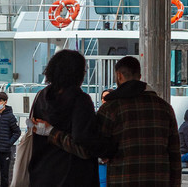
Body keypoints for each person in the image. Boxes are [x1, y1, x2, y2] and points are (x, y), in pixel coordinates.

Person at [51, 55, 179, 187]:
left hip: (123, 180)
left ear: (119, 76)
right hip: (159, 181)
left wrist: (53, 133)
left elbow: (89, 148)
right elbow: (175, 156)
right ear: (139, 76)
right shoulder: (165, 108)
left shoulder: (110, 108)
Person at [26, 49, 97, 187]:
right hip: (75, 177)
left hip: (41, 174)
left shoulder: (41, 97)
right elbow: (84, 146)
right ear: (77, 75)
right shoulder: (81, 101)